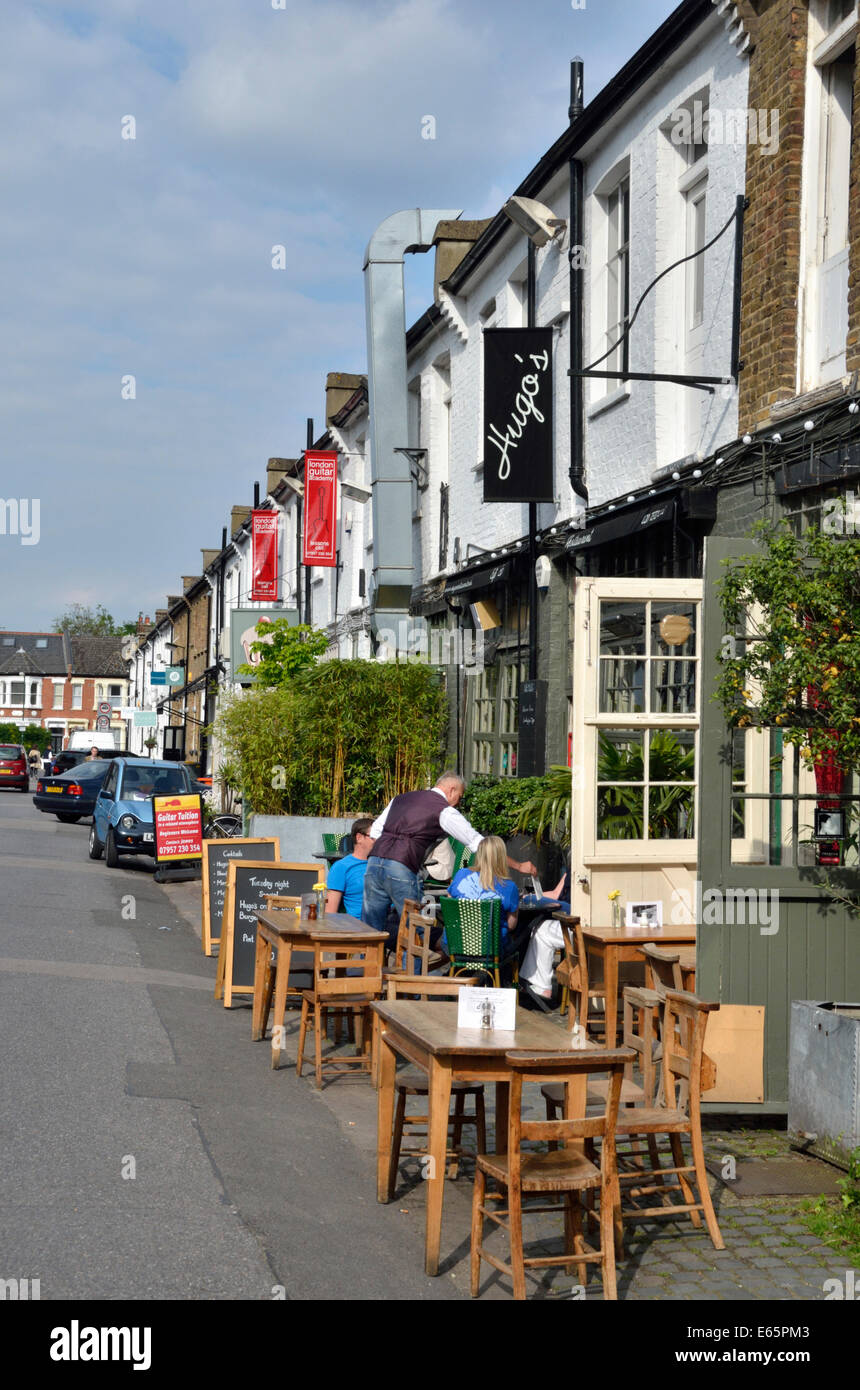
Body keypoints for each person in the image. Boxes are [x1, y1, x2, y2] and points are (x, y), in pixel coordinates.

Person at [362, 770, 536, 947]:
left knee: (370, 928)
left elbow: (375, 831)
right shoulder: (444, 810)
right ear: (452, 790)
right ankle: (413, 974)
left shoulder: (400, 799)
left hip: (374, 862)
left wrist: (387, 855)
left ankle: (366, 972)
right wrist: (519, 865)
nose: (458, 803)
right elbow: (481, 844)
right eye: (459, 797)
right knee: (415, 931)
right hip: (401, 866)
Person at [519, 868, 573, 1007]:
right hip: (566, 919)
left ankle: (540, 987)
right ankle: (532, 983)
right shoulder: (572, 867)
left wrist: (531, 898)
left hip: (573, 920)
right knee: (539, 927)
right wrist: (532, 895)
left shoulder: (579, 868)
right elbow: (555, 894)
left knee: (541, 930)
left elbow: (559, 901)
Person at [449, 835, 519, 938]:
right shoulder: (510, 887)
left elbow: (450, 904)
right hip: (490, 948)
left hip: (456, 943)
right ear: (502, 857)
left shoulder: (461, 874)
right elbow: (511, 925)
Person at [325, 818, 374, 919]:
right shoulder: (342, 867)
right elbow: (330, 912)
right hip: (362, 927)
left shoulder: (384, 864)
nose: (379, 841)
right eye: (374, 836)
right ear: (359, 838)